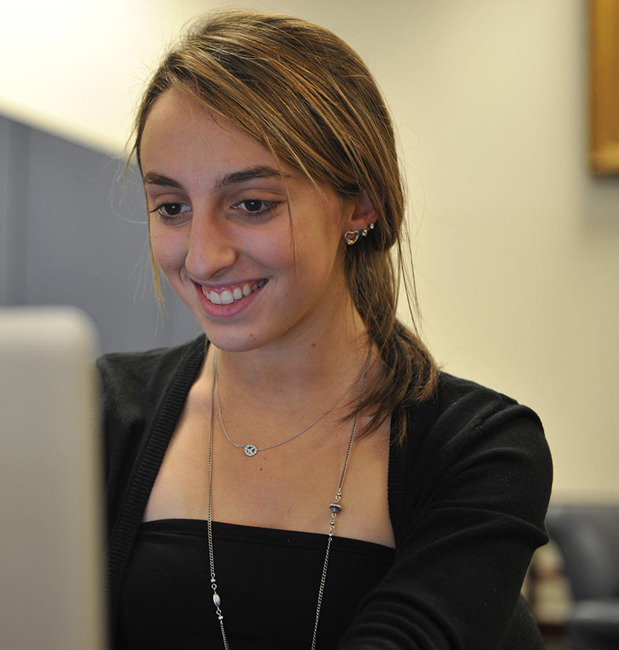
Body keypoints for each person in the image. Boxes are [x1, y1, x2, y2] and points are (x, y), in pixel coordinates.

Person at [97, 10, 552, 649]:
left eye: (251, 204)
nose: (202, 257)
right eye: (172, 208)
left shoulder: (480, 447)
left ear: (359, 202)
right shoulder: (100, 414)